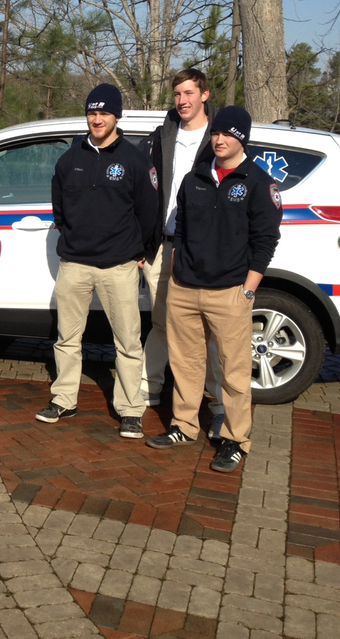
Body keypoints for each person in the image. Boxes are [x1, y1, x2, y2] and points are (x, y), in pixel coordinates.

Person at [147, 107, 282, 472]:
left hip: (230, 292)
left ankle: (236, 440)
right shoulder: (194, 179)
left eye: (229, 134)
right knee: (187, 364)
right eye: (217, 133)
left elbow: (266, 241)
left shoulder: (258, 182)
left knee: (234, 372)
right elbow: (183, 232)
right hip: (186, 289)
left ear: (243, 139)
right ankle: (184, 426)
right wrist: (177, 277)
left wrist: (248, 290)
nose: (220, 140)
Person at [38, 83, 158, 439]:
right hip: (74, 264)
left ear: (116, 116)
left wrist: (137, 251)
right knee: (66, 338)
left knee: (127, 342)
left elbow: (148, 213)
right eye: (92, 112)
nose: (97, 118)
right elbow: (59, 207)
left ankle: (130, 409)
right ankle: (63, 399)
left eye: (104, 113)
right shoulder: (69, 159)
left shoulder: (135, 160)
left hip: (118, 265)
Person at [140, 68, 226, 436]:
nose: (182, 100)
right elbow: (147, 193)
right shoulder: (162, 136)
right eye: (177, 94)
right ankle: (148, 387)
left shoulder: (218, 139)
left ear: (204, 94)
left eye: (189, 92)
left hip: (202, 249)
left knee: (209, 329)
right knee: (161, 322)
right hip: (164, 243)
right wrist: (145, 242)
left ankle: (220, 400)